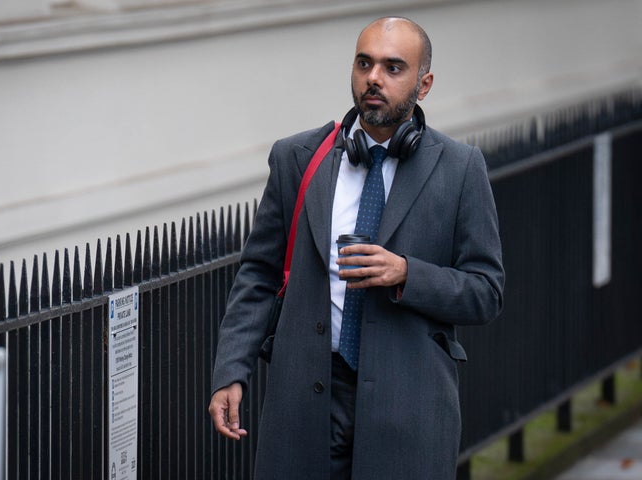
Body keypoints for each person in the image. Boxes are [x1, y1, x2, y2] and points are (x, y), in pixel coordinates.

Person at [208, 16, 504, 479]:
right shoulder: (298, 158)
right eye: (364, 63)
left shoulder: (460, 168)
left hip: (408, 411)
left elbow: (486, 291)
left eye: (393, 67)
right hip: (305, 406)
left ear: (423, 84)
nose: (374, 78)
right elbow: (258, 275)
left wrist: (407, 273)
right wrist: (231, 370)